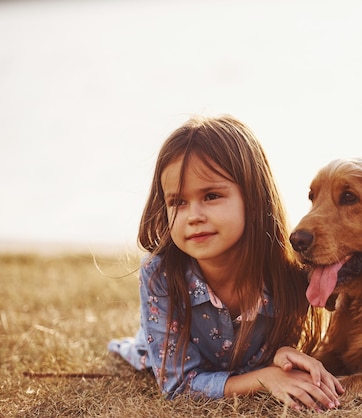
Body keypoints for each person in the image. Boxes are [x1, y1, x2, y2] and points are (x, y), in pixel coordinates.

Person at [108, 114, 343, 411]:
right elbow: (177, 384)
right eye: (178, 202)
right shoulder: (161, 275)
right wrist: (264, 378)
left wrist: (283, 355)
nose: (194, 215)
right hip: (151, 349)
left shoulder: (290, 276)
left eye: (211, 195)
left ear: (253, 197)